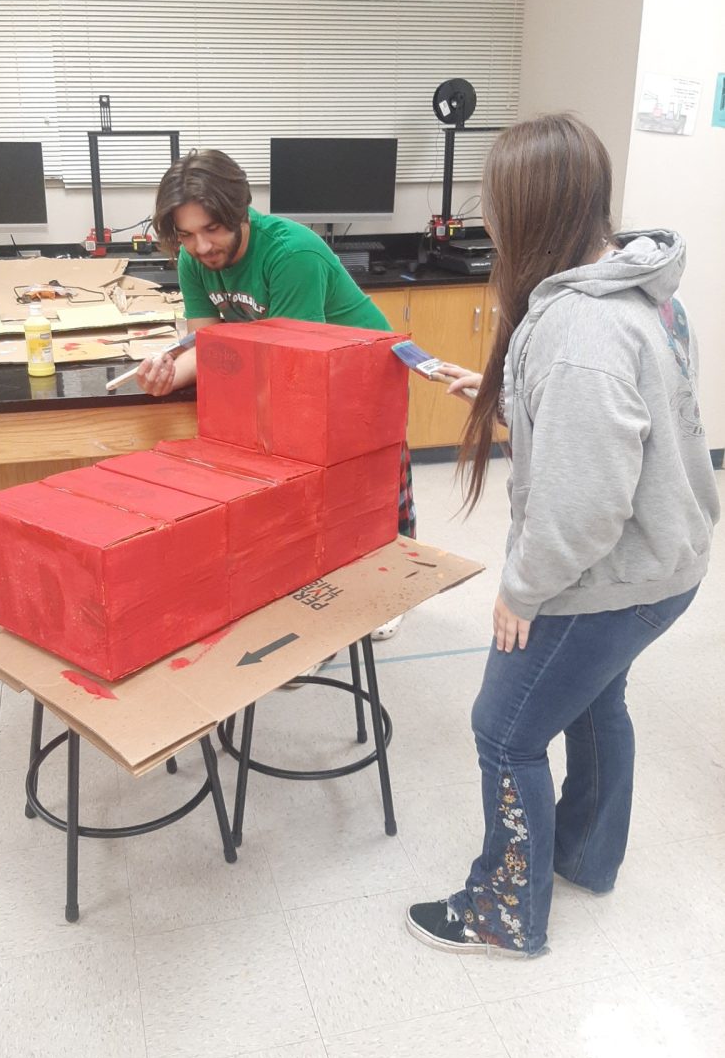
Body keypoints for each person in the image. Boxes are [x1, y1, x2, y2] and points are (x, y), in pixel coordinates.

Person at [406, 113, 719, 958]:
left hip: (608, 575)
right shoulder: (636, 290)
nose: (489, 224)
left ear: (531, 213)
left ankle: (505, 911)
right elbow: (616, 425)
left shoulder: (580, 331)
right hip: (668, 562)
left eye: (496, 208)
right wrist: (501, 390)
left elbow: (585, 504)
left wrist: (522, 588)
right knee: (595, 699)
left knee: (505, 731)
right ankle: (585, 856)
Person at [137, 147, 416, 641]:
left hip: (361, 372)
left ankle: (391, 591)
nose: (201, 247)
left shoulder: (292, 254)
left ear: (240, 210)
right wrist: (168, 375)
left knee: (371, 490)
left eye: (212, 229)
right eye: (186, 234)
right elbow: (212, 347)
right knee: (306, 499)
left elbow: (294, 367)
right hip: (282, 369)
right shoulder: (193, 258)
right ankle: (314, 608)